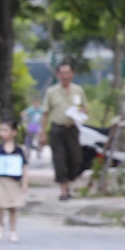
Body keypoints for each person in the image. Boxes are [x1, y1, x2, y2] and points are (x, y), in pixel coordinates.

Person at [42, 62, 88, 201]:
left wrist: (81, 112)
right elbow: (45, 113)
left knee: (75, 159)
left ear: (72, 74)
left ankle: (70, 183)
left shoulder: (78, 90)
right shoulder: (51, 92)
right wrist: (42, 132)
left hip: (72, 128)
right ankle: (63, 191)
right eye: (62, 73)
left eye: (68, 73)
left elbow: (85, 109)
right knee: (59, 160)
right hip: (57, 129)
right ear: (58, 75)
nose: (65, 76)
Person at [0, 119, 29, 242]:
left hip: (13, 182)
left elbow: (24, 167)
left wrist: (25, 183)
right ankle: (0, 225)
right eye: (1, 130)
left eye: (5, 130)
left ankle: (13, 231)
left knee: (13, 207)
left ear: (14, 132)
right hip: (0, 181)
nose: (2, 133)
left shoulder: (19, 150)